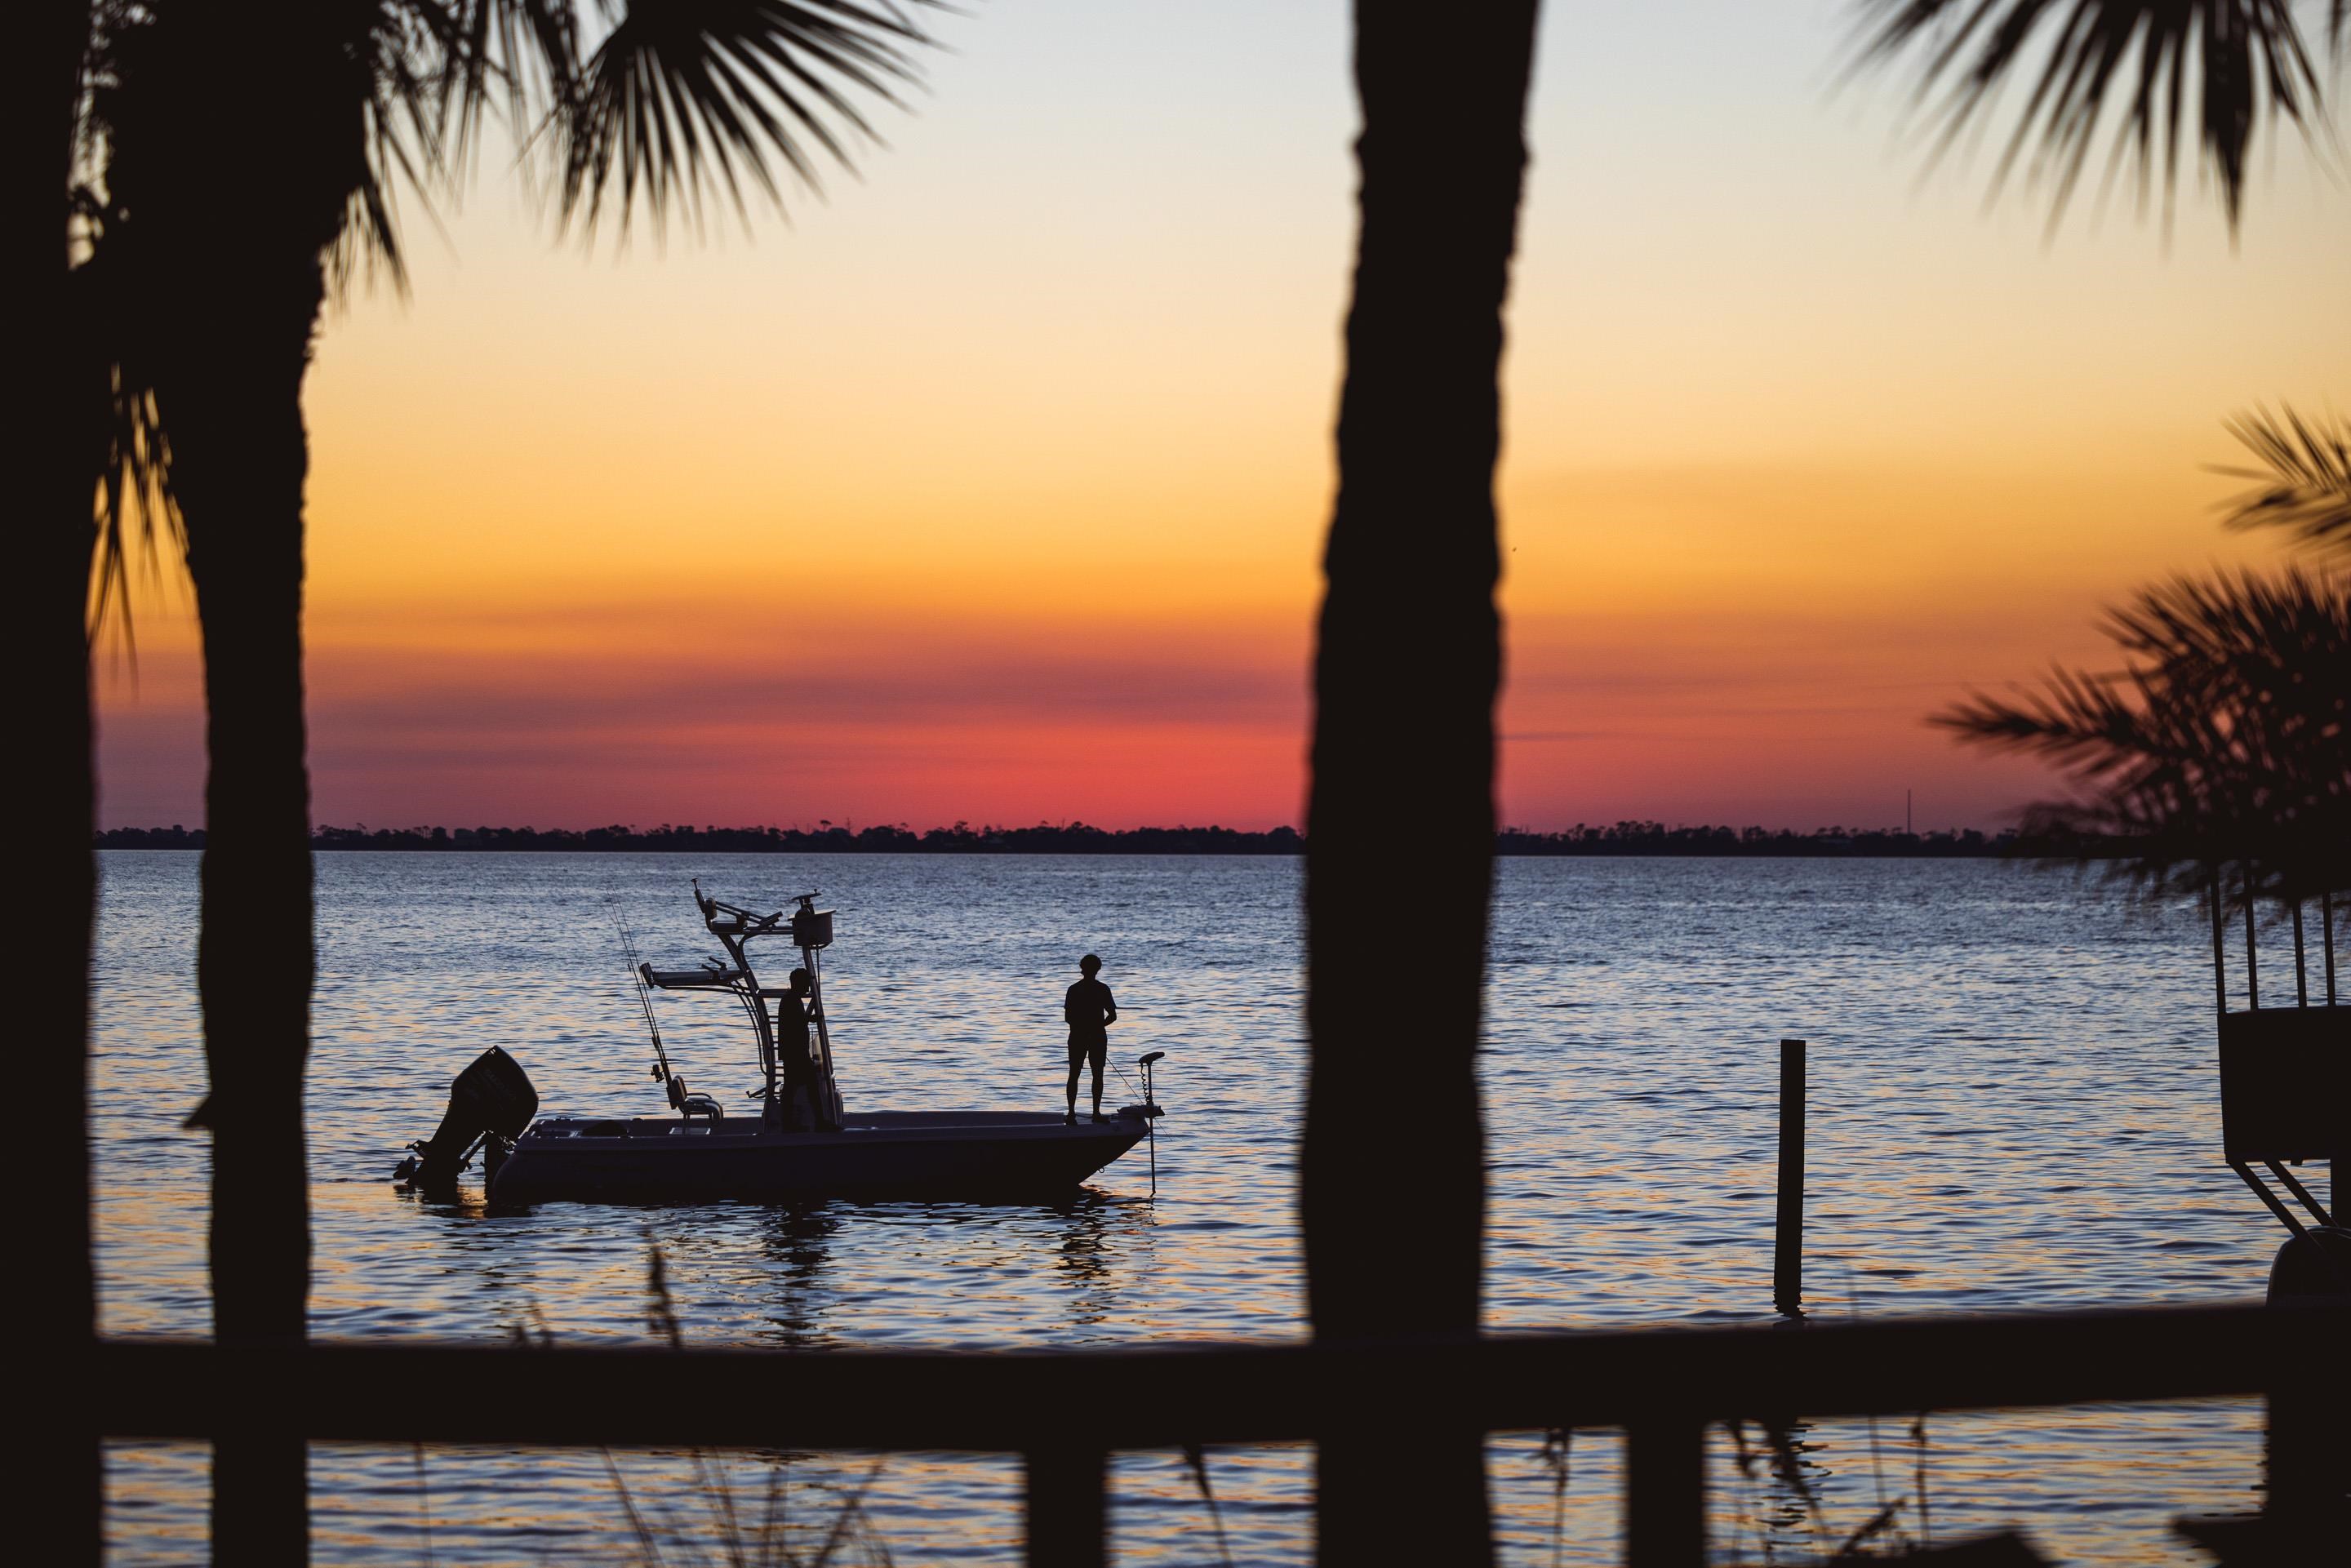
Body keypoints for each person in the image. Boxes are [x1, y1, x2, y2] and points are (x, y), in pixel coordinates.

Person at [1063, 953, 1118, 1124]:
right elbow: (1112, 1016)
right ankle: (1095, 1113)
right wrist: (1098, 1026)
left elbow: (1068, 1017)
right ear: (1098, 969)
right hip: (1095, 1036)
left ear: (1082, 968)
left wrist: (1087, 1028)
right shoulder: (1102, 989)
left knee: (1075, 1074)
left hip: (1080, 1036)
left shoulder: (1074, 989)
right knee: (1096, 1074)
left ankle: (1072, 1113)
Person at [773, 968, 820, 1130]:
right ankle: (817, 1122)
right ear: (798, 983)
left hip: (794, 1051)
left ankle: (789, 1123)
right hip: (795, 1052)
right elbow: (795, 1024)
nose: (807, 986)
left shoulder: (791, 999)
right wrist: (809, 1018)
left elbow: (797, 1021)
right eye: (806, 982)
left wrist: (807, 1018)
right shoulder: (791, 1000)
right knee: (809, 1085)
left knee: (793, 1087)